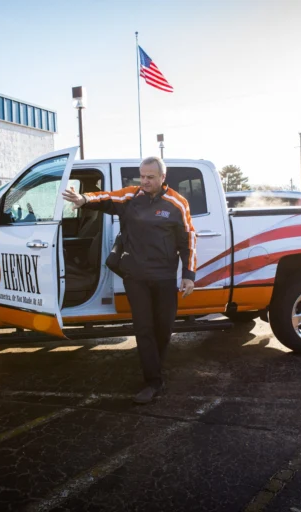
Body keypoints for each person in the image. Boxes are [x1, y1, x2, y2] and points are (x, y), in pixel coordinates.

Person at [62, 156, 196, 404]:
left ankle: (155, 370)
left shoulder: (177, 203)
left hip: (165, 277)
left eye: (150, 177)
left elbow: (188, 240)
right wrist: (84, 200)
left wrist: (188, 275)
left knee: (164, 329)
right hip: (136, 277)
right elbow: (106, 198)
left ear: (162, 178)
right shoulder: (131, 197)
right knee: (144, 328)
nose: (144, 181)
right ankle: (153, 381)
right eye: (142, 176)